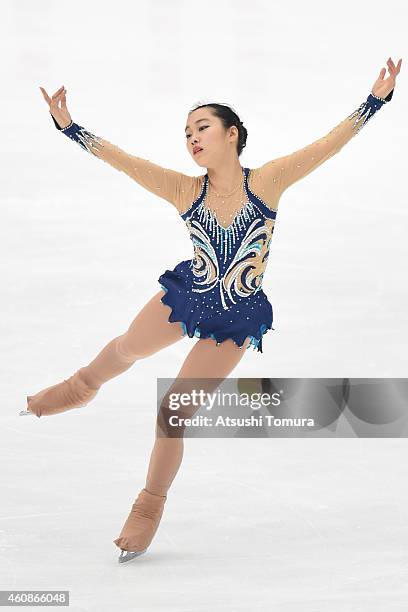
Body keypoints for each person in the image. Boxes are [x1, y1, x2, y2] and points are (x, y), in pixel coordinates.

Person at [23, 57, 401, 563]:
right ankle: (80, 387)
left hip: (235, 319)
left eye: (202, 127)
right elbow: (126, 161)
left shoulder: (266, 182)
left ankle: (149, 504)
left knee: (172, 412)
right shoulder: (185, 190)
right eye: (186, 132)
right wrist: (71, 129)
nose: (192, 137)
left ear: (232, 134)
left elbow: (326, 147)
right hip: (189, 295)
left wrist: (375, 100)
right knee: (127, 347)